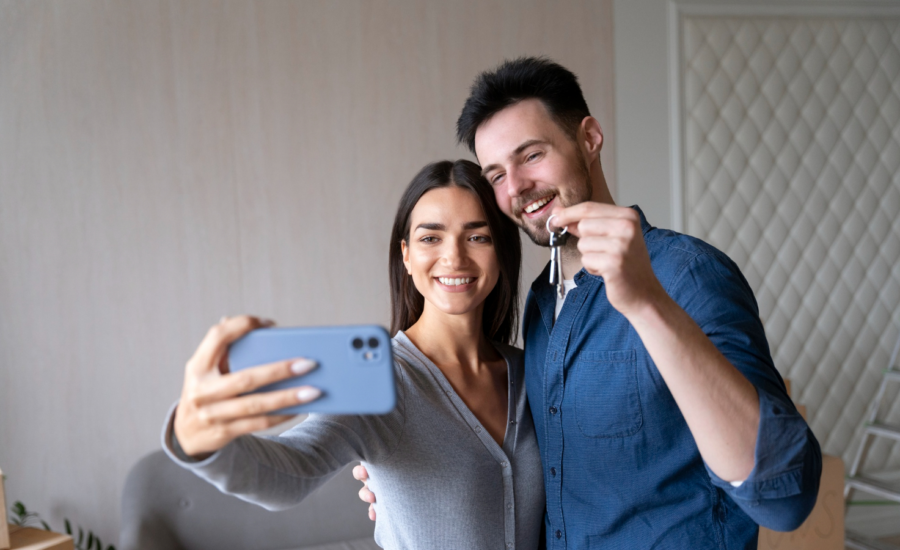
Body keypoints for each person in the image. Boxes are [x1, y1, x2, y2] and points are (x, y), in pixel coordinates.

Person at [356, 57, 823, 549]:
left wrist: (646, 303)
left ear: (590, 137)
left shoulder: (687, 274)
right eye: (496, 174)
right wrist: (400, 477)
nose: (516, 188)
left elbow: (784, 497)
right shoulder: (540, 305)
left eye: (531, 155)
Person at [162, 159, 545, 549]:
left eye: (477, 237)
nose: (454, 257)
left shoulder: (532, 371)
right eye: (431, 238)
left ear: (502, 251)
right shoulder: (379, 379)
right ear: (406, 255)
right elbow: (290, 472)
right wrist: (196, 439)